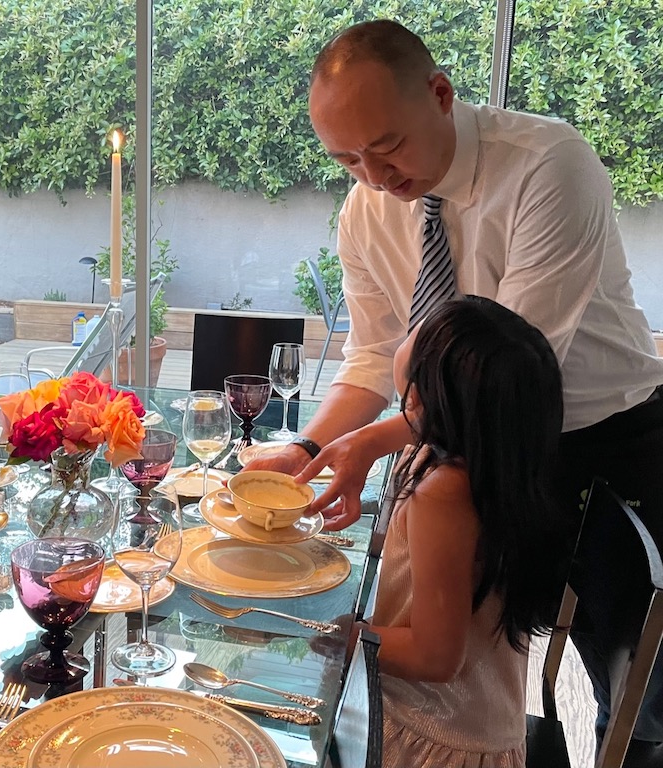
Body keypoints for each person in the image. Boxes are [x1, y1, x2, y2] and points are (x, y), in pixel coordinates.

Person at [246, 18, 663, 759]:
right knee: (480, 638)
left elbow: (511, 370)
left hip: (603, 440)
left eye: (386, 147)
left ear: (439, 94)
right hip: (462, 448)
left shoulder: (548, 165)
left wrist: (373, 443)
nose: (374, 177)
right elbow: (375, 352)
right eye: (346, 159)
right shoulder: (367, 210)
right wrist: (311, 448)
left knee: (634, 681)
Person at [364, 296, 565, 766]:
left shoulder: (445, 492)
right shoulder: (497, 458)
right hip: (483, 728)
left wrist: (338, 636)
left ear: (428, 394)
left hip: (430, 740)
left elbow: (435, 658)